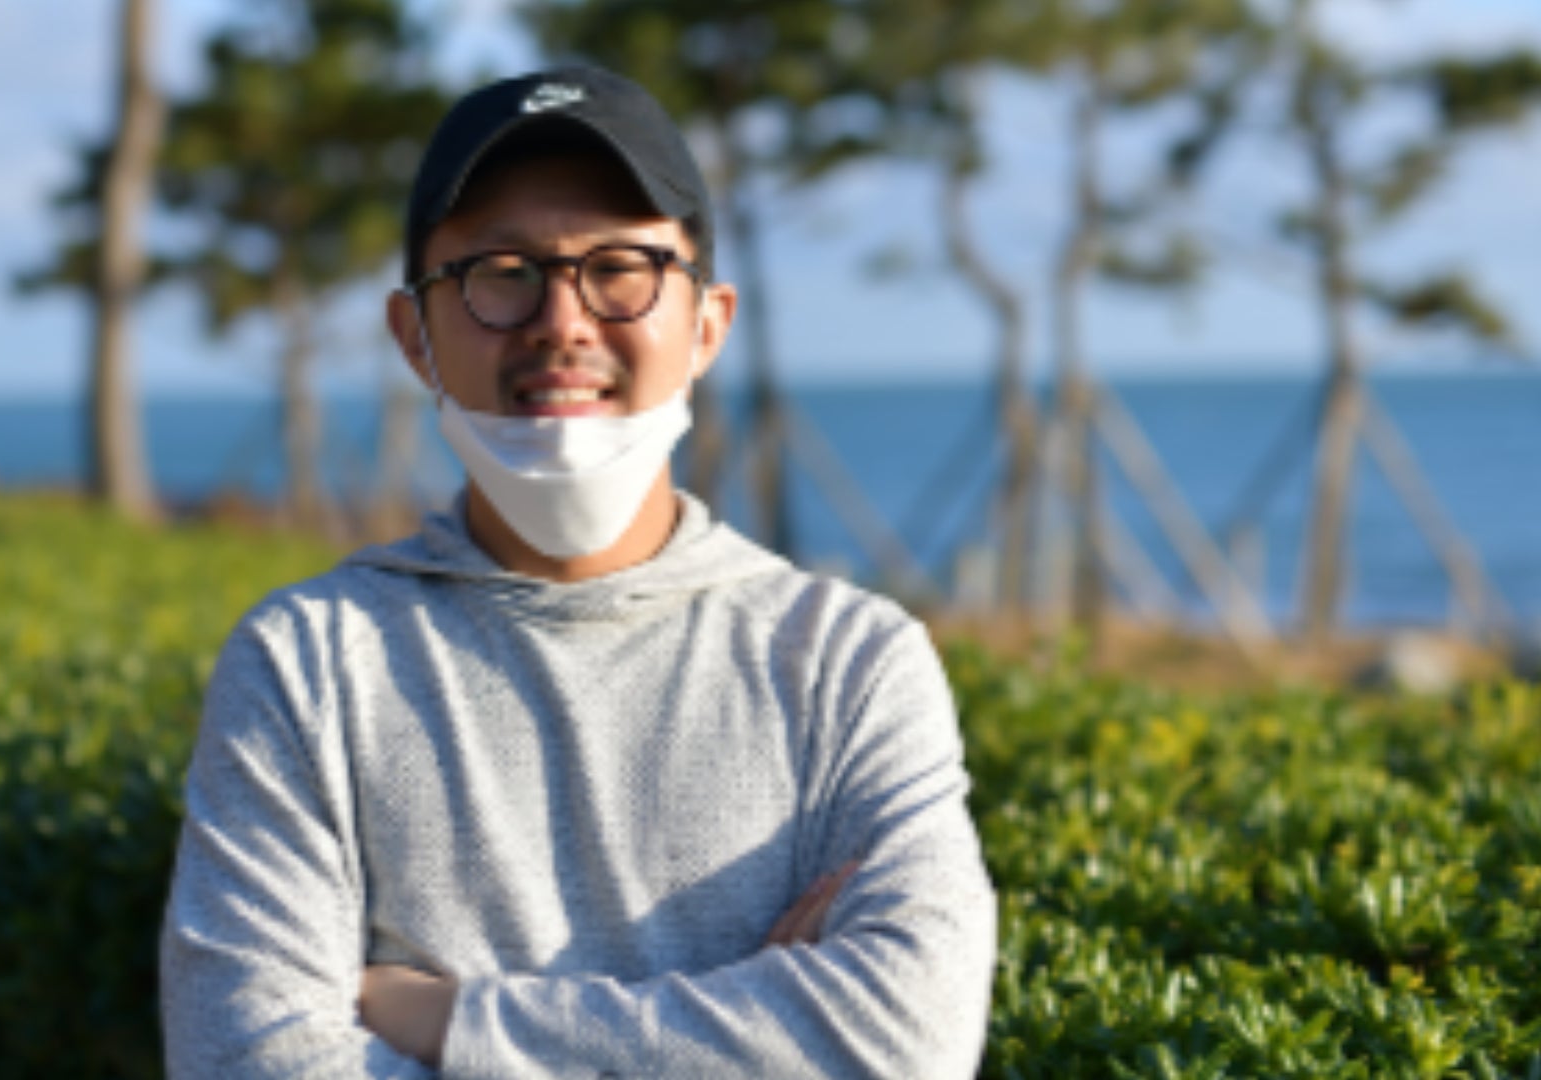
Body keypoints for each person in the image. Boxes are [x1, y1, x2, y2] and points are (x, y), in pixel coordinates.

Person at [160, 65, 997, 1078]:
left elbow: (908, 1041)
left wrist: (450, 1024)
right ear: (414, 337)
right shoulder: (310, 665)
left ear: (708, 324)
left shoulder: (847, 663)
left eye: (621, 268)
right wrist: (760, 1038)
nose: (562, 321)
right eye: (502, 271)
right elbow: (248, 1061)